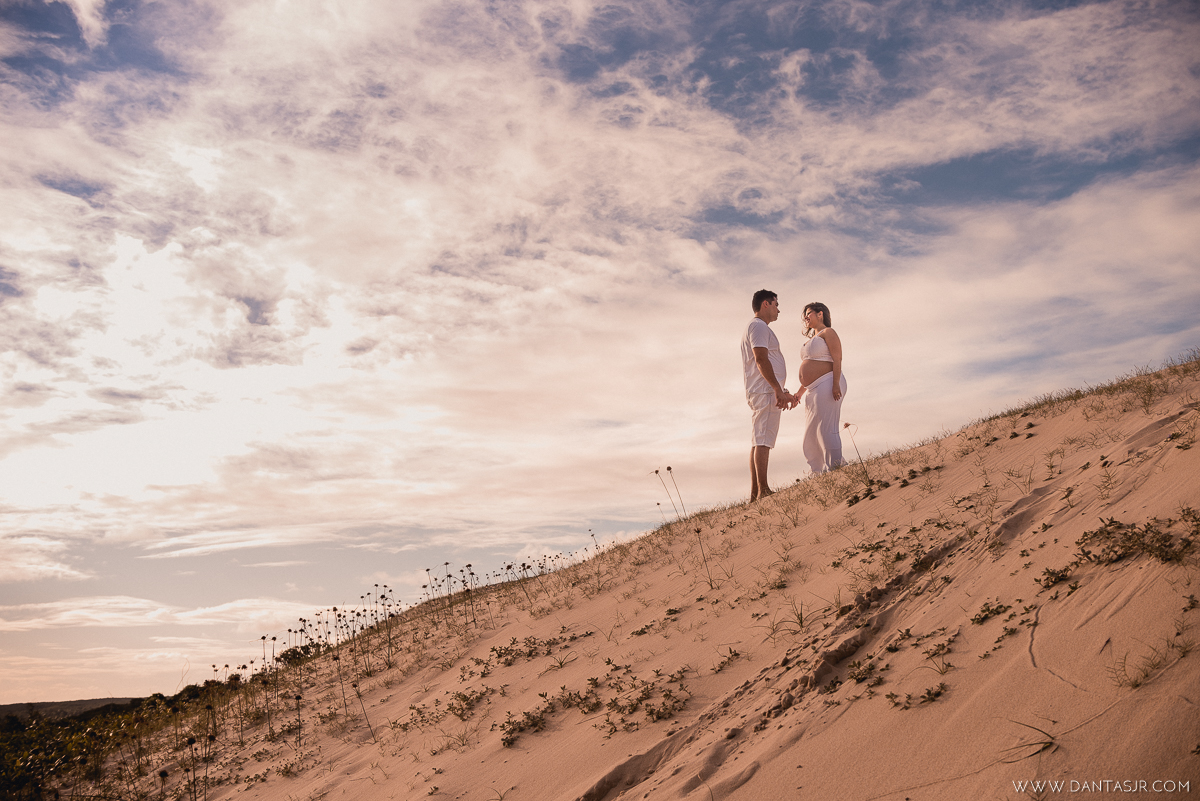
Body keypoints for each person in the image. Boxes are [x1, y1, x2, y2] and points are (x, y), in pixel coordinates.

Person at [741, 289, 797, 501]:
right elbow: (761, 359)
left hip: (765, 389)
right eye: (776, 304)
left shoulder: (757, 327)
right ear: (766, 304)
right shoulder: (758, 326)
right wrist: (775, 389)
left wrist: (781, 390)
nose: (778, 310)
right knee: (763, 439)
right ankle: (763, 490)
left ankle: (756, 493)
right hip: (764, 390)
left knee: (759, 439)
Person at [796, 301, 847, 474]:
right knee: (811, 432)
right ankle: (818, 471)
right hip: (812, 389)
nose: (805, 317)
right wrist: (799, 392)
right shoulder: (812, 339)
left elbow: (837, 359)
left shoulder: (828, 332)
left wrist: (835, 384)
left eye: (809, 313)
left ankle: (837, 467)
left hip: (829, 382)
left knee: (827, 428)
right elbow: (808, 367)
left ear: (820, 314)